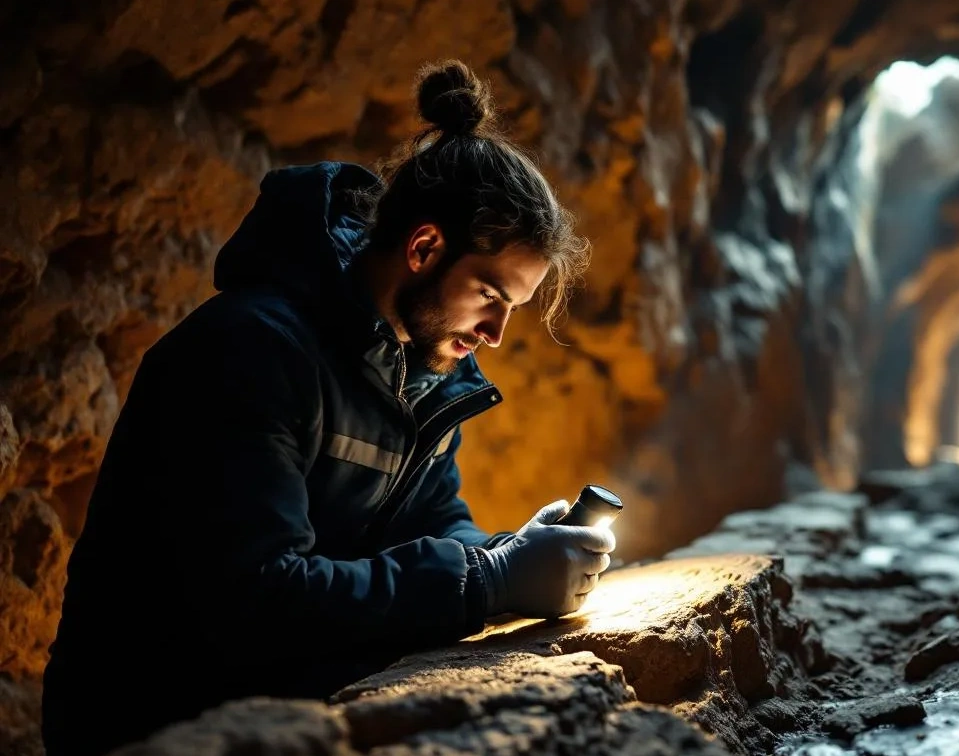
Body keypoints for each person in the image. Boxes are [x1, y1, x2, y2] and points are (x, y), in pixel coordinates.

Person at [41, 59, 616, 756]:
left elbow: (434, 524)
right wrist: (489, 582)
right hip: (160, 723)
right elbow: (259, 597)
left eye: (513, 309)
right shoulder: (250, 352)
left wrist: (514, 552)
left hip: (290, 701)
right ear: (425, 246)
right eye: (491, 297)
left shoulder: (424, 374)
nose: (495, 334)